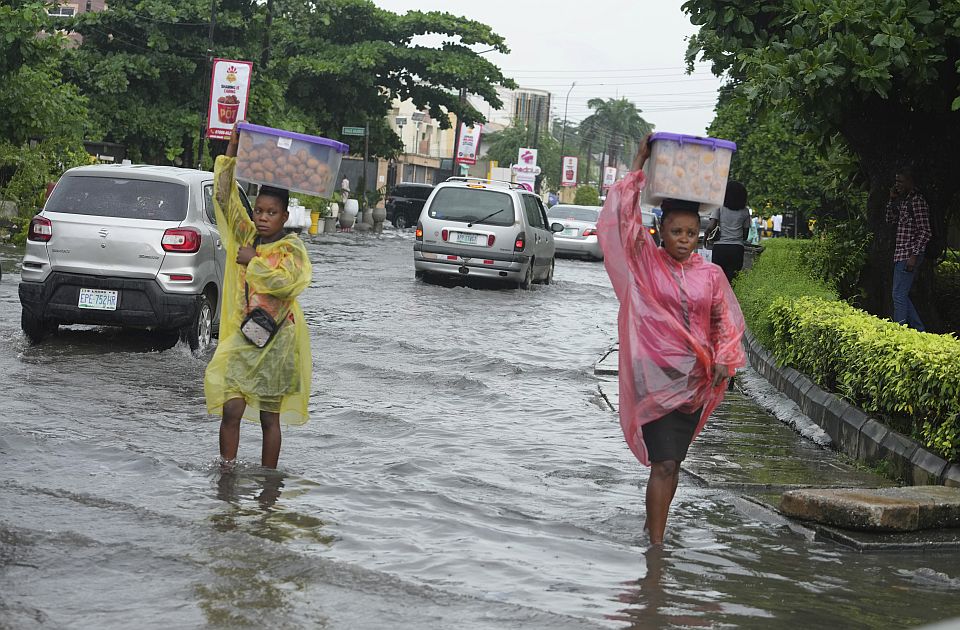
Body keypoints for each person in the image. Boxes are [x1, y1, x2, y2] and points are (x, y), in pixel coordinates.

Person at [597, 136, 746, 547]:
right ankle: (657, 548)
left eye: (692, 232)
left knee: (673, 462)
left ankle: (653, 528)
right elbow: (622, 217)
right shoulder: (646, 261)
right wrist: (639, 161)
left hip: (694, 383)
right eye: (676, 231)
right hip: (655, 376)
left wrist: (724, 358)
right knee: (664, 461)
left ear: (701, 233)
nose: (684, 238)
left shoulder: (710, 276)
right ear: (660, 230)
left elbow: (725, 321)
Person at [205, 126, 313, 469]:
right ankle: (226, 470)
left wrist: (254, 262)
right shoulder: (245, 234)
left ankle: (269, 483)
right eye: (260, 211)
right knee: (231, 407)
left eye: (271, 213)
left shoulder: (291, 248)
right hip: (244, 336)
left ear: (284, 215)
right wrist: (232, 151)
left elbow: (288, 284)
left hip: (278, 342)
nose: (263, 217)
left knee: (270, 418)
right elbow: (224, 198)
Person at [885, 165, 932, 331]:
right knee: (901, 295)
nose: (897, 184)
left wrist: (914, 255)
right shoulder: (904, 201)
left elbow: (925, 231)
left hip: (908, 255)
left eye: (900, 181)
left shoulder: (917, 201)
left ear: (910, 181)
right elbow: (890, 220)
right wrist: (892, 199)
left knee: (898, 295)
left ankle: (900, 332)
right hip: (901, 254)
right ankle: (920, 331)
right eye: (896, 181)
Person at [705, 181, 752, 283]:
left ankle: (718, 299)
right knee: (732, 282)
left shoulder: (719, 207)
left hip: (720, 249)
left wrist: (705, 237)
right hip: (736, 249)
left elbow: (711, 226)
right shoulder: (745, 211)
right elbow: (745, 236)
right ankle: (730, 298)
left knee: (718, 280)